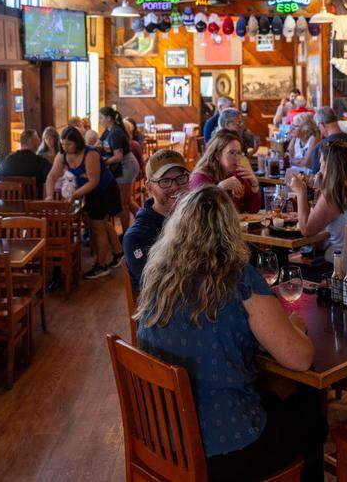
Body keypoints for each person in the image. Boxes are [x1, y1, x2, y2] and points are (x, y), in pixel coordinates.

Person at [136, 186, 324, 482]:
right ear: (230, 229)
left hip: (161, 437)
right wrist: (295, 328)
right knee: (311, 409)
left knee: (272, 397)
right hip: (221, 451)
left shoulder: (158, 275)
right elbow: (300, 359)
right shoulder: (238, 278)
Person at [46, 126, 123, 279]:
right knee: (102, 223)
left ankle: (102, 266)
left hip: (104, 190)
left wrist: (74, 195)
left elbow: (94, 181)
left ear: (77, 142)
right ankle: (118, 252)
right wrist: (49, 196)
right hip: (87, 190)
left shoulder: (90, 153)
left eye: (69, 144)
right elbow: (51, 177)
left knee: (97, 227)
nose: (65, 147)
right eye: (63, 144)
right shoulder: (62, 155)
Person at [122, 149, 190, 292]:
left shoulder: (196, 218)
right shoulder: (137, 237)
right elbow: (155, 289)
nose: (175, 186)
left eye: (181, 178)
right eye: (165, 181)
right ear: (149, 188)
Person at [189, 130, 262, 213]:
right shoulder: (200, 178)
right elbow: (201, 213)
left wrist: (254, 185)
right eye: (232, 153)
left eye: (239, 153)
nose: (237, 158)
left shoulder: (238, 173)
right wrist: (219, 189)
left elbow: (252, 210)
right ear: (217, 155)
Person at [0, 129, 51, 196]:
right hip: (33, 206)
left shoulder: (9, 160)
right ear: (31, 141)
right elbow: (52, 178)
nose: (39, 142)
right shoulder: (41, 162)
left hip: (10, 205)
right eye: (37, 139)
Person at [99, 106, 140, 233]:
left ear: (108, 118)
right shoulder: (108, 130)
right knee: (127, 200)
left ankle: (126, 233)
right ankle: (147, 220)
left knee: (123, 203)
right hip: (123, 166)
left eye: (101, 118)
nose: (99, 121)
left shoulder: (115, 133)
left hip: (126, 166)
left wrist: (104, 162)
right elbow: (98, 144)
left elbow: (118, 157)